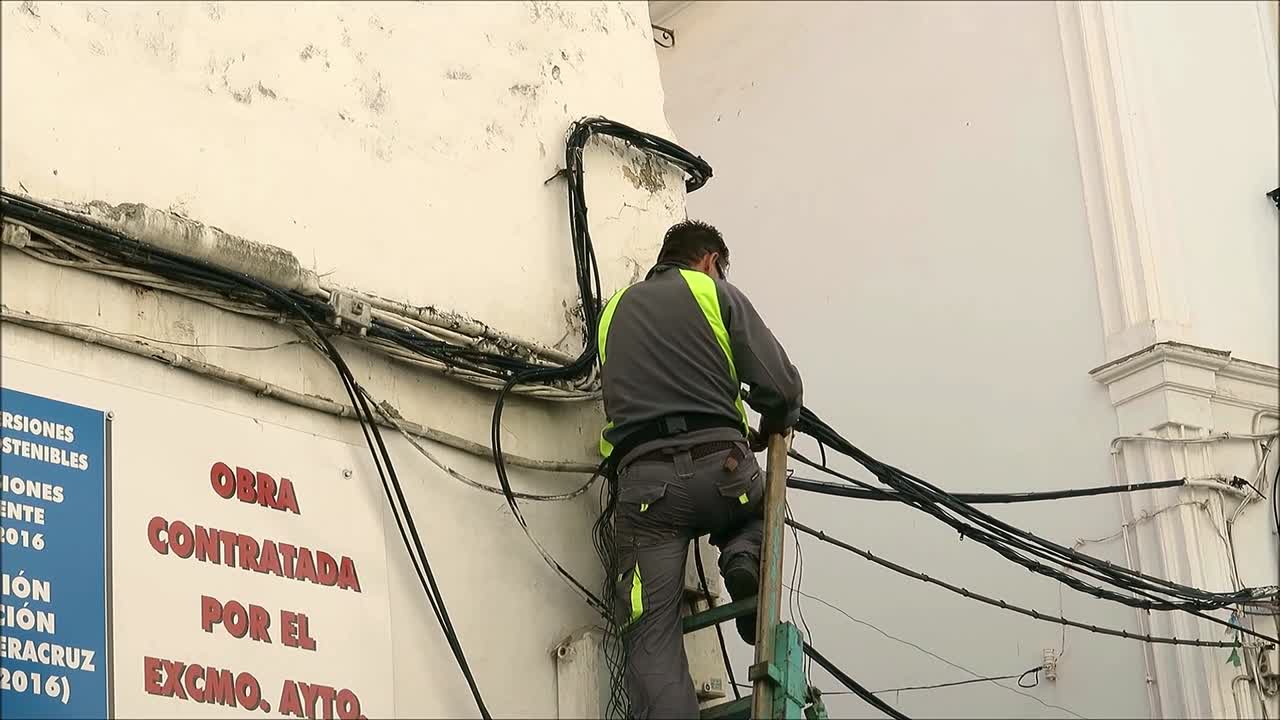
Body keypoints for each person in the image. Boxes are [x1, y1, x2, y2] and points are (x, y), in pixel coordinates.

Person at [597, 220, 804, 719]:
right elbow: (781, 386)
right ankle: (741, 556)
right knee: (759, 506)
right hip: (723, 470)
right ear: (710, 260)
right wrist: (772, 424)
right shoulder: (714, 293)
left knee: (650, 639)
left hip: (645, 491)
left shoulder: (612, 313)